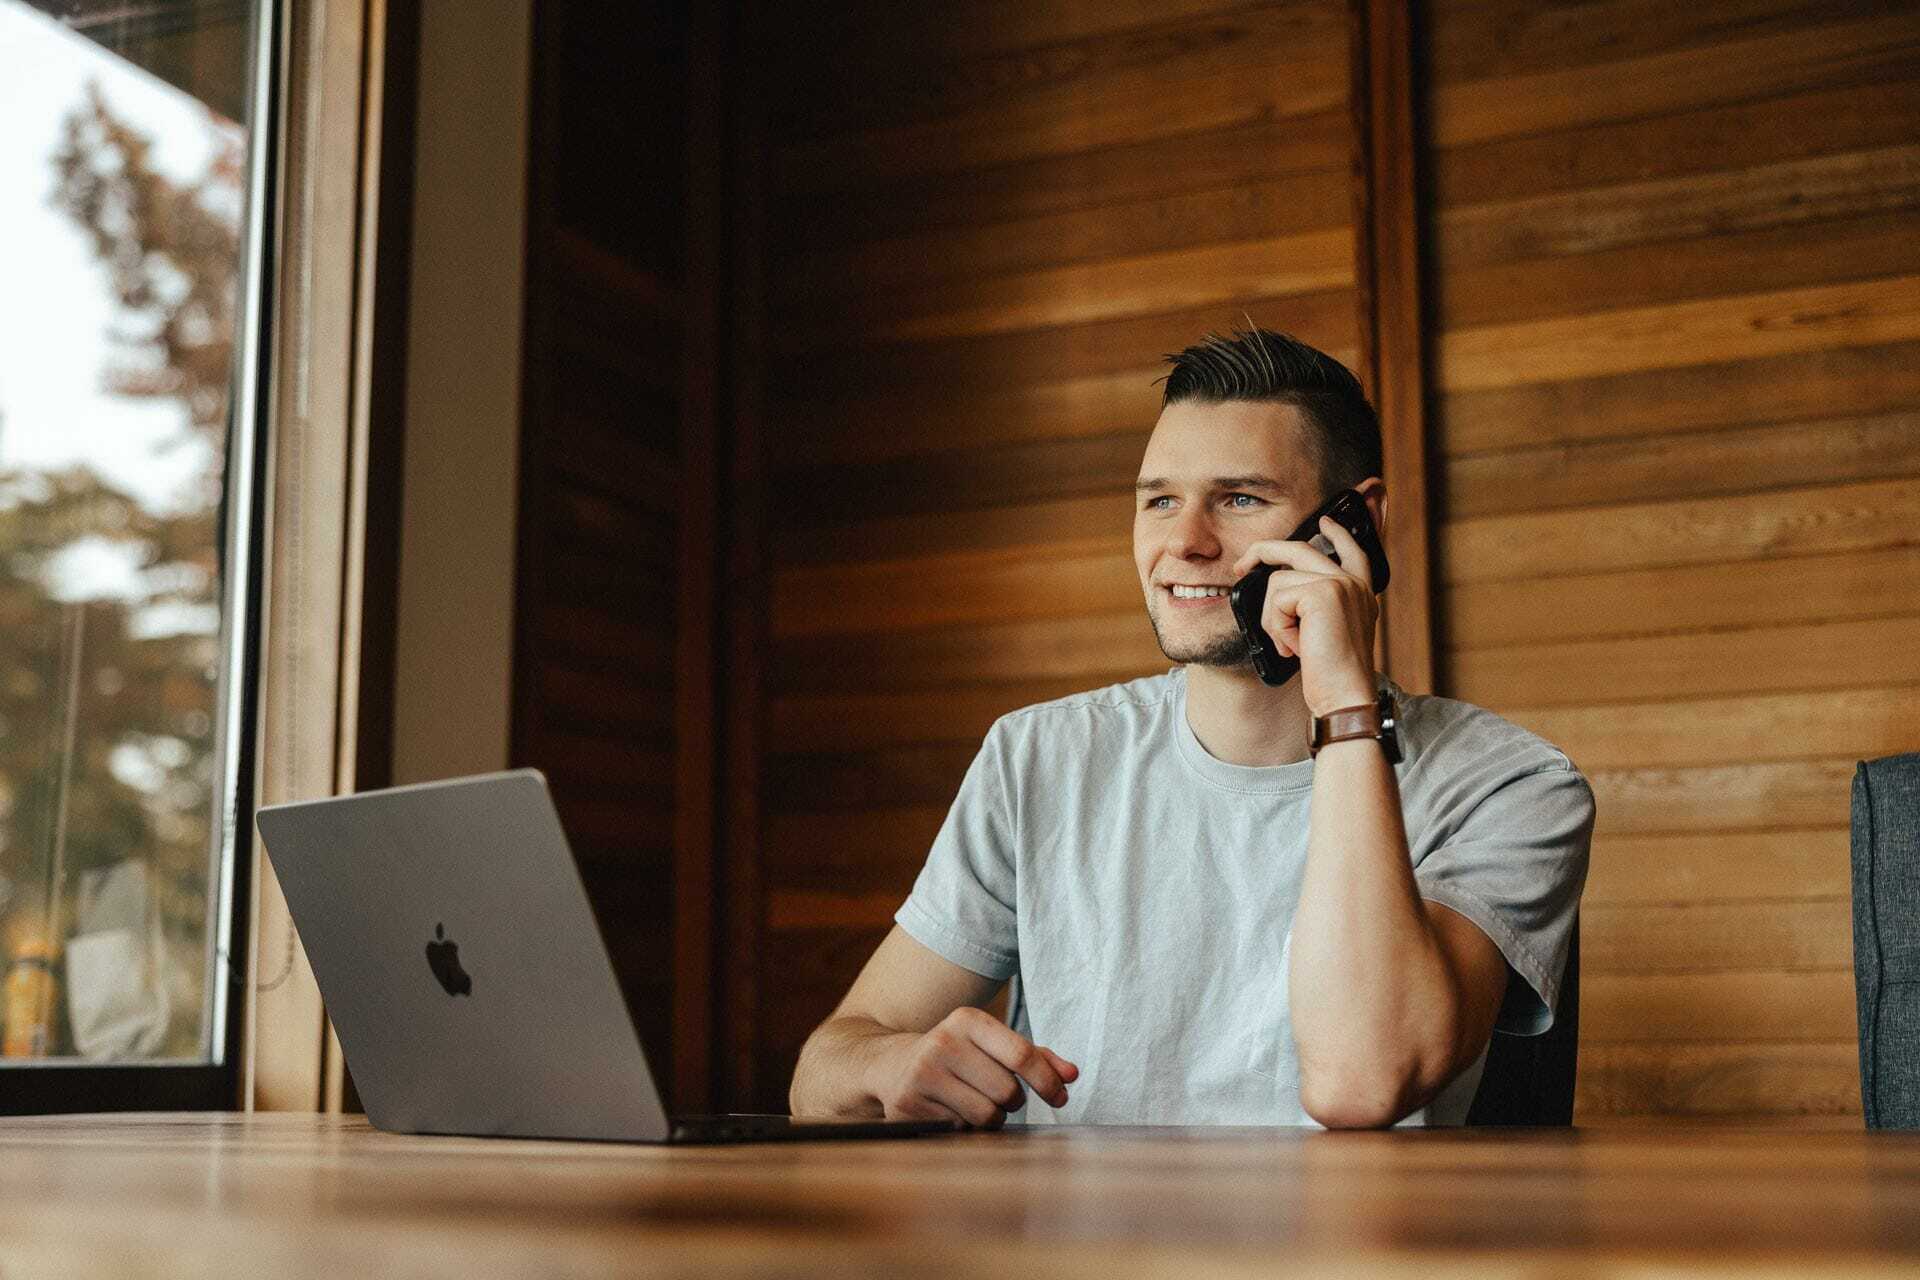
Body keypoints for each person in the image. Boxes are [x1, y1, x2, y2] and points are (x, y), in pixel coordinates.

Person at [787, 327, 1594, 1129]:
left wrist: (1344, 703)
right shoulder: (1037, 758)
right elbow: (820, 1075)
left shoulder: (1513, 784)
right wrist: (888, 1063)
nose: (1183, 542)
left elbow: (1362, 1081)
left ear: (1358, 522)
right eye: (1159, 500)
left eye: (1240, 498)